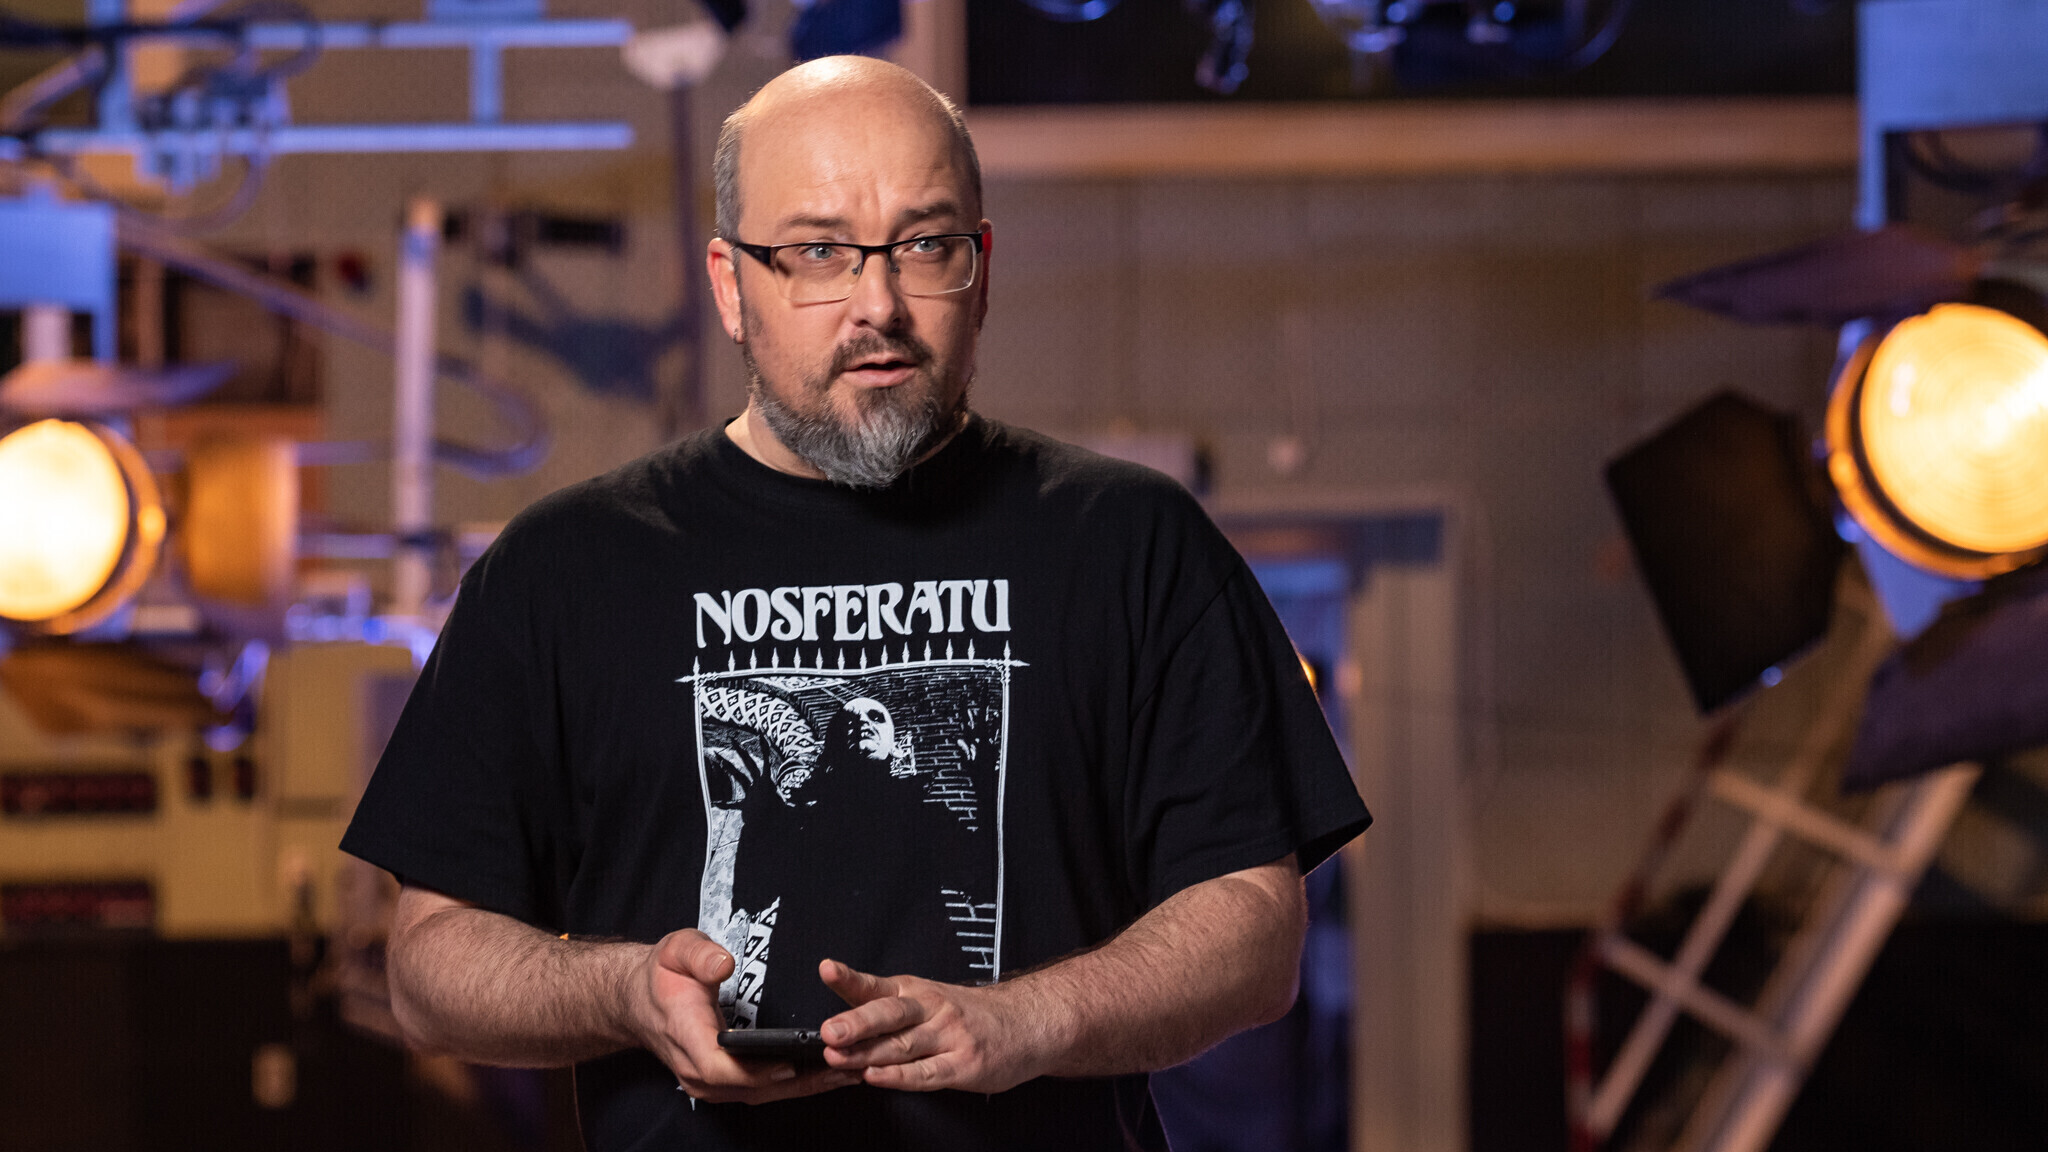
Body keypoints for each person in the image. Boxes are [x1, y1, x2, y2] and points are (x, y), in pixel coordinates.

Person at [340, 54, 1369, 1152]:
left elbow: (1254, 926)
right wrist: (623, 992)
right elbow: (431, 963)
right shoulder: (563, 571)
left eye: (924, 246)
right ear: (731, 285)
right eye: (819, 253)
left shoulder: (1132, 546)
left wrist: (1030, 1019)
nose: (877, 306)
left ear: (980, 269)